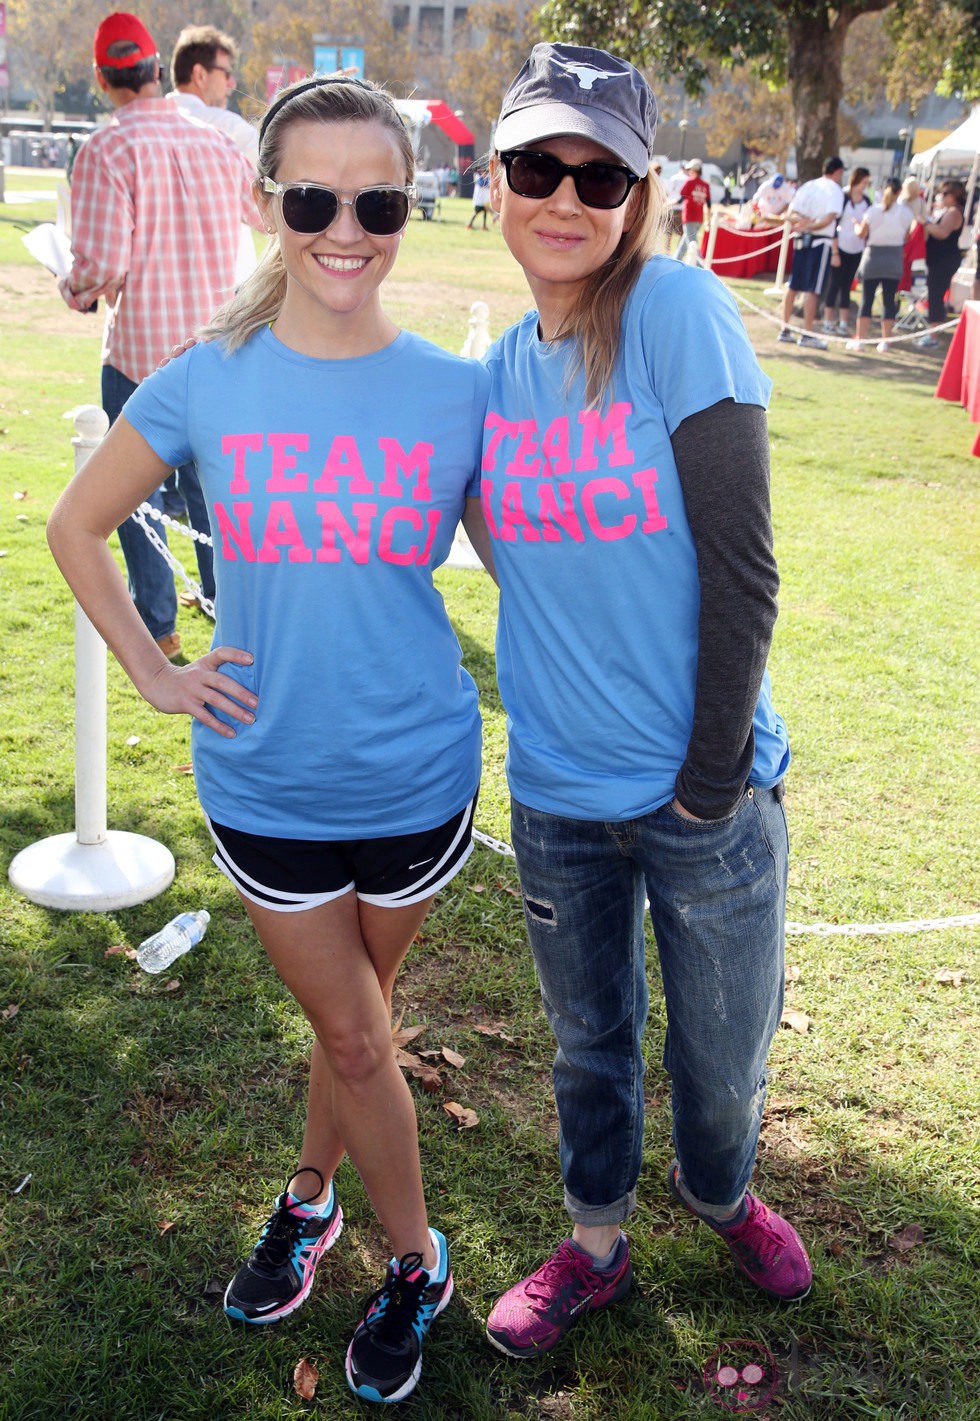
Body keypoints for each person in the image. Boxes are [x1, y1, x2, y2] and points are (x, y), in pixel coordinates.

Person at [47, 73, 491, 1406]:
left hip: (419, 772)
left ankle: (310, 1195)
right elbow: (77, 528)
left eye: (376, 201)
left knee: (349, 1023)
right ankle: (420, 1261)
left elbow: (542, 575)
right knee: (353, 1032)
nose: (344, 227)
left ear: (409, 207)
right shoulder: (206, 381)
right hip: (266, 778)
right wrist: (156, 669)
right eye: (312, 197)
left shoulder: (456, 396)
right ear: (268, 202)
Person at [480, 41, 811, 1359]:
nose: (564, 197)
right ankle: (595, 1240)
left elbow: (745, 569)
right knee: (589, 1050)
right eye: (535, 165)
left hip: (703, 794)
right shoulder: (495, 371)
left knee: (721, 1062)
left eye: (598, 172)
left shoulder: (678, 314)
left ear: (638, 191)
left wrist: (709, 775)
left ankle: (721, 1193)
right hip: (557, 796)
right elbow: (491, 545)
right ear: (494, 176)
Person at [60, 12, 262, 659]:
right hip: (213, 348)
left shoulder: (105, 149)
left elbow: (101, 263)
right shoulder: (215, 141)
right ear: (155, 70)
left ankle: (160, 626)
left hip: (140, 353)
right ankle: (225, 615)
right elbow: (259, 215)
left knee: (133, 503)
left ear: (102, 77)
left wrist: (74, 286)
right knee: (214, 498)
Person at [778, 155, 845, 349]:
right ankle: (806, 333)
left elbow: (792, 213)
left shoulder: (808, 187)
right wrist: (811, 225)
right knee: (812, 289)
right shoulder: (834, 190)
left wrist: (804, 223)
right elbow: (829, 219)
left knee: (794, 285)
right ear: (838, 172)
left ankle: (785, 328)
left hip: (803, 239)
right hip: (819, 241)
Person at [169, 24, 258, 166]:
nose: (232, 84)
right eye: (226, 74)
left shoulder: (143, 127)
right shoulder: (230, 128)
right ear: (200, 75)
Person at [845, 177, 914, 354]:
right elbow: (906, 237)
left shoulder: (873, 211)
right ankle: (885, 342)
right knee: (889, 301)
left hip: (873, 257)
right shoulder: (905, 213)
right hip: (893, 258)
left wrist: (855, 226)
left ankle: (860, 340)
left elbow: (861, 234)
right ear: (900, 192)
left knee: (867, 299)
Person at [916, 179, 967, 348]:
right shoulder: (947, 210)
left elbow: (942, 233)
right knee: (935, 293)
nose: (941, 196)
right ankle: (933, 331)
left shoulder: (953, 212)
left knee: (936, 295)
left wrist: (925, 222)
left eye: (945, 193)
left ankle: (933, 335)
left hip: (944, 260)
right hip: (938, 259)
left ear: (954, 195)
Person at [821, 166, 871, 337]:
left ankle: (843, 321)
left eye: (867, 183)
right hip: (839, 247)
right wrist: (834, 251)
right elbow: (833, 225)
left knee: (847, 286)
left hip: (856, 249)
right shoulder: (842, 197)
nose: (865, 185)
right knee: (834, 284)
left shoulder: (866, 202)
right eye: (863, 182)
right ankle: (827, 320)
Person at [674, 158, 711, 264]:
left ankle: (702, 267)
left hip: (689, 217)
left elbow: (681, 199)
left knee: (692, 243)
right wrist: (708, 220)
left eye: (690, 170)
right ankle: (675, 261)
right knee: (685, 243)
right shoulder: (705, 185)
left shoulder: (689, 182)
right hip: (699, 219)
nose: (689, 172)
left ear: (695, 170)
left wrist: (668, 203)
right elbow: (708, 204)